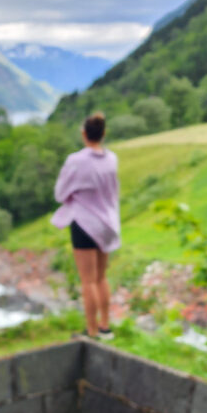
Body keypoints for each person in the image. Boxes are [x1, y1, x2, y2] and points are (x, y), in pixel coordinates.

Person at [51, 112, 120, 340]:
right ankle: (105, 326)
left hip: (83, 223)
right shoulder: (112, 159)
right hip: (107, 224)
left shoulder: (76, 161)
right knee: (101, 278)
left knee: (88, 281)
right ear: (103, 133)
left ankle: (91, 331)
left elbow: (60, 193)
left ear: (84, 133)